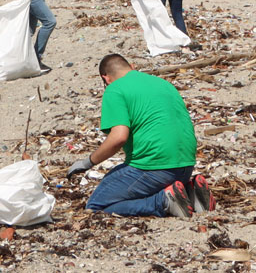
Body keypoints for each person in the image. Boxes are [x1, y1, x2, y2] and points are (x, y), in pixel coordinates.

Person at [66, 54, 213, 218]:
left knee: (97, 205)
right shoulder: (163, 84)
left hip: (154, 166)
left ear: (105, 78)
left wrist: (88, 162)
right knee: (125, 182)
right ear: (132, 67)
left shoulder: (115, 89)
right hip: (186, 164)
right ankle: (190, 194)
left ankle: (163, 202)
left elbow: (119, 137)